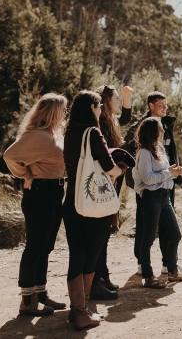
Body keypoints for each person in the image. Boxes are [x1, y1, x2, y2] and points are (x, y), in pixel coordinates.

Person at [62, 90, 125, 330]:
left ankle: (76, 309)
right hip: (94, 204)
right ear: (92, 108)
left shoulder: (69, 133)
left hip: (72, 202)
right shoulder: (94, 133)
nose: (101, 111)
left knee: (75, 255)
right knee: (91, 255)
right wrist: (120, 167)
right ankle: (82, 311)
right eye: (99, 107)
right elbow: (110, 168)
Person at [3, 93, 69, 317]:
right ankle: (27, 302)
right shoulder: (39, 136)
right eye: (63, 109)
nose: (65, 113)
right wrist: (26, 173)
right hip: (40, 192)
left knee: (46, 246)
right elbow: (10, 155)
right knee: (35, 247)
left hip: (54, 191)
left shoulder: (53, 134)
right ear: (53, 111)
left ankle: (41, 294)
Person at [125, 91, 182, 275]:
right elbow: (130, 152)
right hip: (147, 188)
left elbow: (170, 150)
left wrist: (172, 172)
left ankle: (169, 263)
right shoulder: (139, 127)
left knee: (168, 226)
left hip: (167, 182)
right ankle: (142, 264)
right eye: (161, 105)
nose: (165, 108)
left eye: (166, 105)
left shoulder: (167, 124)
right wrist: (136, 178)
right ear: (151, 105)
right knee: (145, 226)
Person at [132, 117, 182, 288]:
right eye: (160, 129)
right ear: (153, 131)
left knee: (175, 234)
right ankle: (149, 277)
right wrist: (169, 172)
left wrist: (173, 172)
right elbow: (148, 179)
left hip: (164, 196)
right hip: (151, 197)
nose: (163, 131)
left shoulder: (159, 148)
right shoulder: (143, 153)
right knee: (149, 238)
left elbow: (163, 173)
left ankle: (172, 271)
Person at [89, 84, 133, 300]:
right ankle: (96, 279)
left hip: (112, 181)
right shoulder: (103, 125)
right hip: (106, 183)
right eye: (116, 98)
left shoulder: (110, 121)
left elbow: (125, 118)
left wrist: (126, 97)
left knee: (105, 232)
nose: (118, 102)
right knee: (101, 232)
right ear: (106, 101)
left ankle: (102, 275)